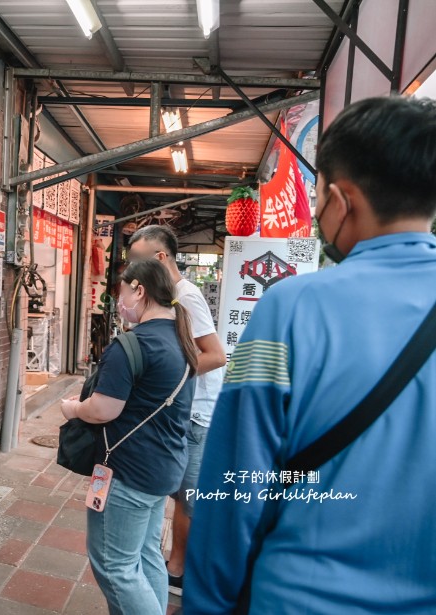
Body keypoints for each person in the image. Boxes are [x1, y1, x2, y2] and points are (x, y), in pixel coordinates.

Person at [185, 96, 436, 613]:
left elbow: (237, 486)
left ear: (341, 200)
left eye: (318, 195)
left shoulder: (292, 308)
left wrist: (206, 602)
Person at [61, 259, 197, 615]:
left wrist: (73, 409)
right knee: (147, 553)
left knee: (115, 566)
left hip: (129, 472)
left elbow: (103, 410)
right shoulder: (182, 340)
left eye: (121, 291)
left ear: (139, 290)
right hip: (164, 468)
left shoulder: (132, 345)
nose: (119, 301)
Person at [126, 225, 227, 596]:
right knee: (172, 487)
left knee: (188, 495)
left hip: (195, 414)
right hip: (178, 411)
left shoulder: (186, 296)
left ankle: (179, 567)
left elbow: (215, 355)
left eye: (138, 260)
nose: (132, 269)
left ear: (161, 258)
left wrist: (168, 377)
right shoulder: (164, 297)